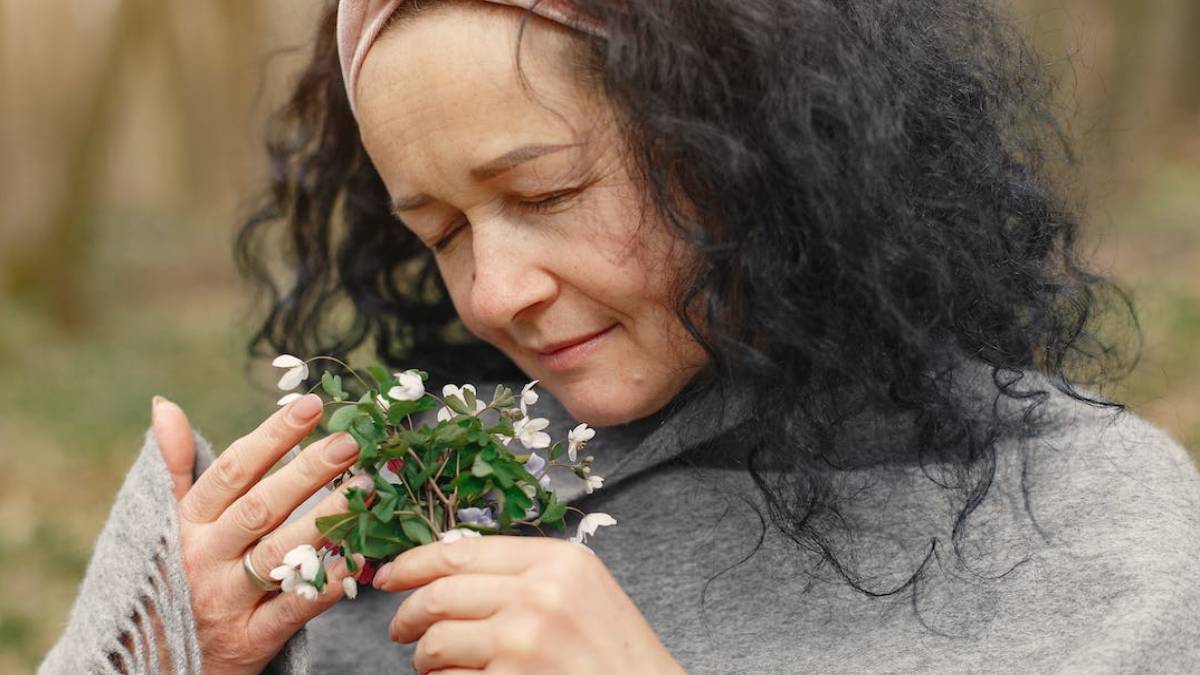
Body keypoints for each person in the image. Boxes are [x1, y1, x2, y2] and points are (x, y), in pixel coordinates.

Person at [41, 0, 1200, 673]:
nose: (492, 296)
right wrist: (165, 646)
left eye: (544, 194)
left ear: (758, 140)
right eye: (439, 230)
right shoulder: (381, 507)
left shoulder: (1092, 522)